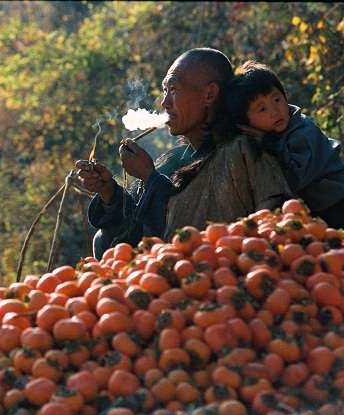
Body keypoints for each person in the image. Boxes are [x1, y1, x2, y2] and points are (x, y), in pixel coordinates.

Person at [78, 48, 292, 258]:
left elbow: (189, 238)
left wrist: (150, 178)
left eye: (174, 89)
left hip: (215, 280)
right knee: (103, 238)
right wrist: (109, 192)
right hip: (155, 284)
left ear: (209, 94)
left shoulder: (241, 152)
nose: (164, 103)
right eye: (165, 90)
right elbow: (130, 238)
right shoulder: (174, 159)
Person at [214, 60, 344, 237]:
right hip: (325, 208)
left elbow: (296, 175)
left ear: (286, 96)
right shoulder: (271, 135)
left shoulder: (302, 130)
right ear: (246, 122)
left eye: (276, 99)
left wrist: (267, 142)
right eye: (262, 109)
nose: (274, 110)